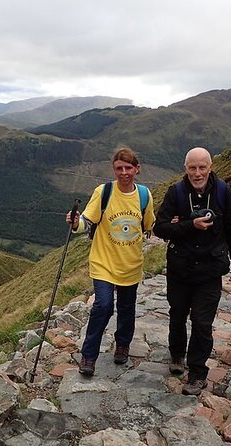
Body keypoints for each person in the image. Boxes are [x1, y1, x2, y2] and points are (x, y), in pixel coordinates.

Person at [153, 147, 231, 395]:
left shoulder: (223, 191)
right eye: (192, 168)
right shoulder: (175, 193)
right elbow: (159, 228)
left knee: (202, 323)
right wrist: (189, 225)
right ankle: (177, 354)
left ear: (210, 167)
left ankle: (197, 373)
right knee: (178, 314)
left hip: (210, 271)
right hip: (180, 269)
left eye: (202, 167)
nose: (197, 173)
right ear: (186, 169)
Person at [66, 146, 155, 376]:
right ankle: (88, 356)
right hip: (103, 262)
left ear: (137, 169)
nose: (123, 172)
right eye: (119, 168)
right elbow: (87, 220)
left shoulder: (144, 195)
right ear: (113, 170)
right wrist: (76, 223)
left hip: (130, 263)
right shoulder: (104, 192)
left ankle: (122, 345)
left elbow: (148, 225)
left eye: (128, 168)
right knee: (103, 306)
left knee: (126, 308)